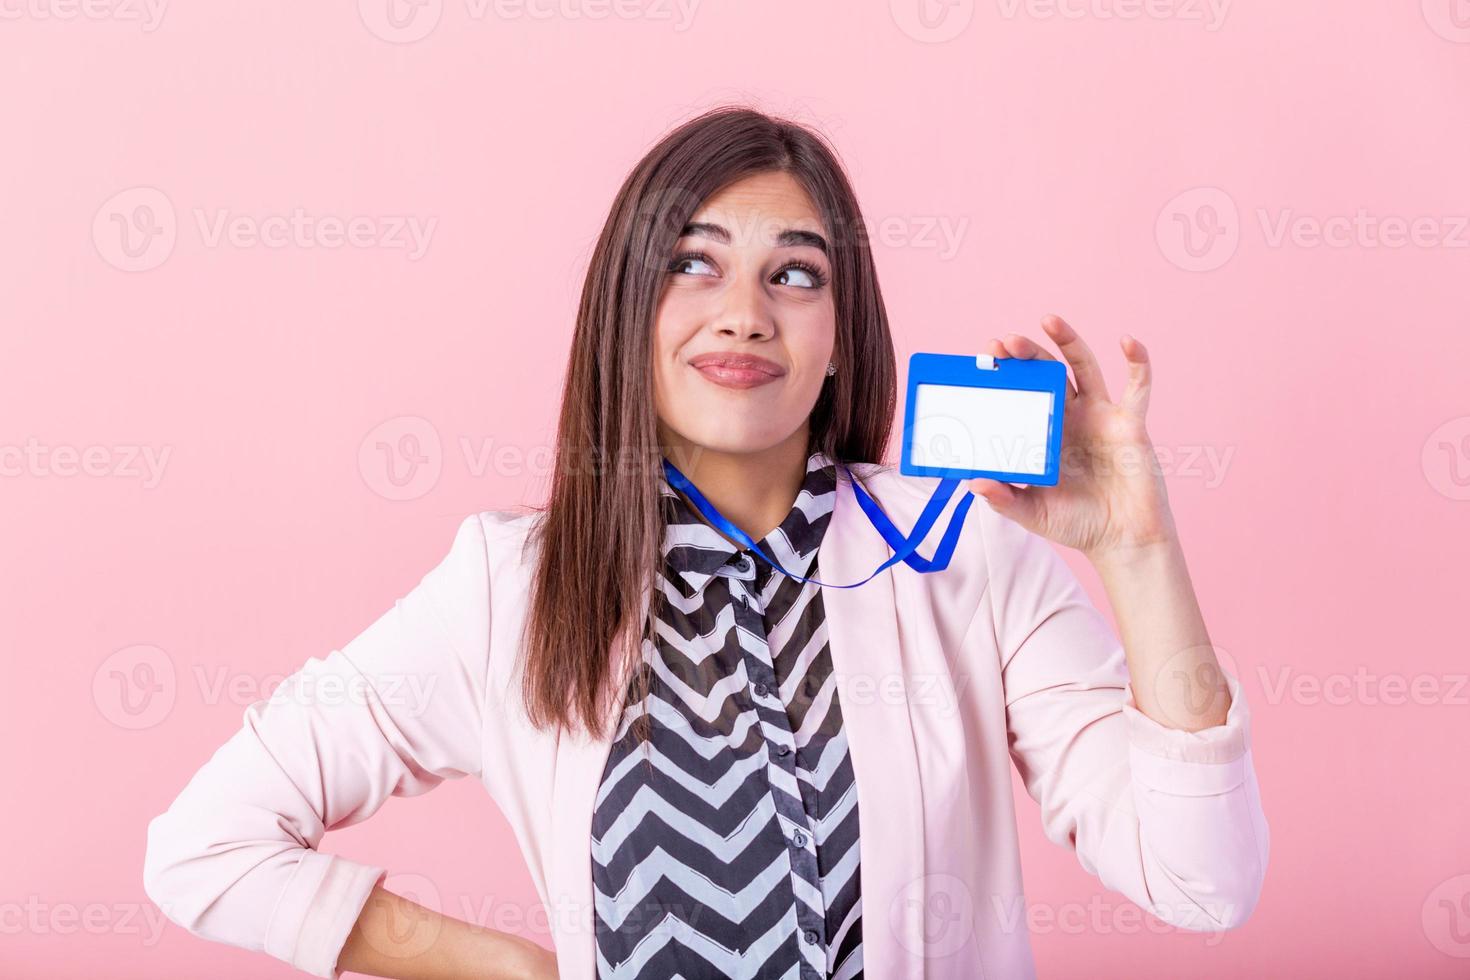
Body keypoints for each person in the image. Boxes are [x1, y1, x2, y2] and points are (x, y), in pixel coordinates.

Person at [143, 105, 1268, 980]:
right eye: (694, 261)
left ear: (840, 336)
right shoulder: (513, 588)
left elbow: (1203, 878)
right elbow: (204, 844)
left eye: (793, 273)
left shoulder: (963, 557)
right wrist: (514, 964)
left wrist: (1135, 549)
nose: (744, 311)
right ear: (625, 310)